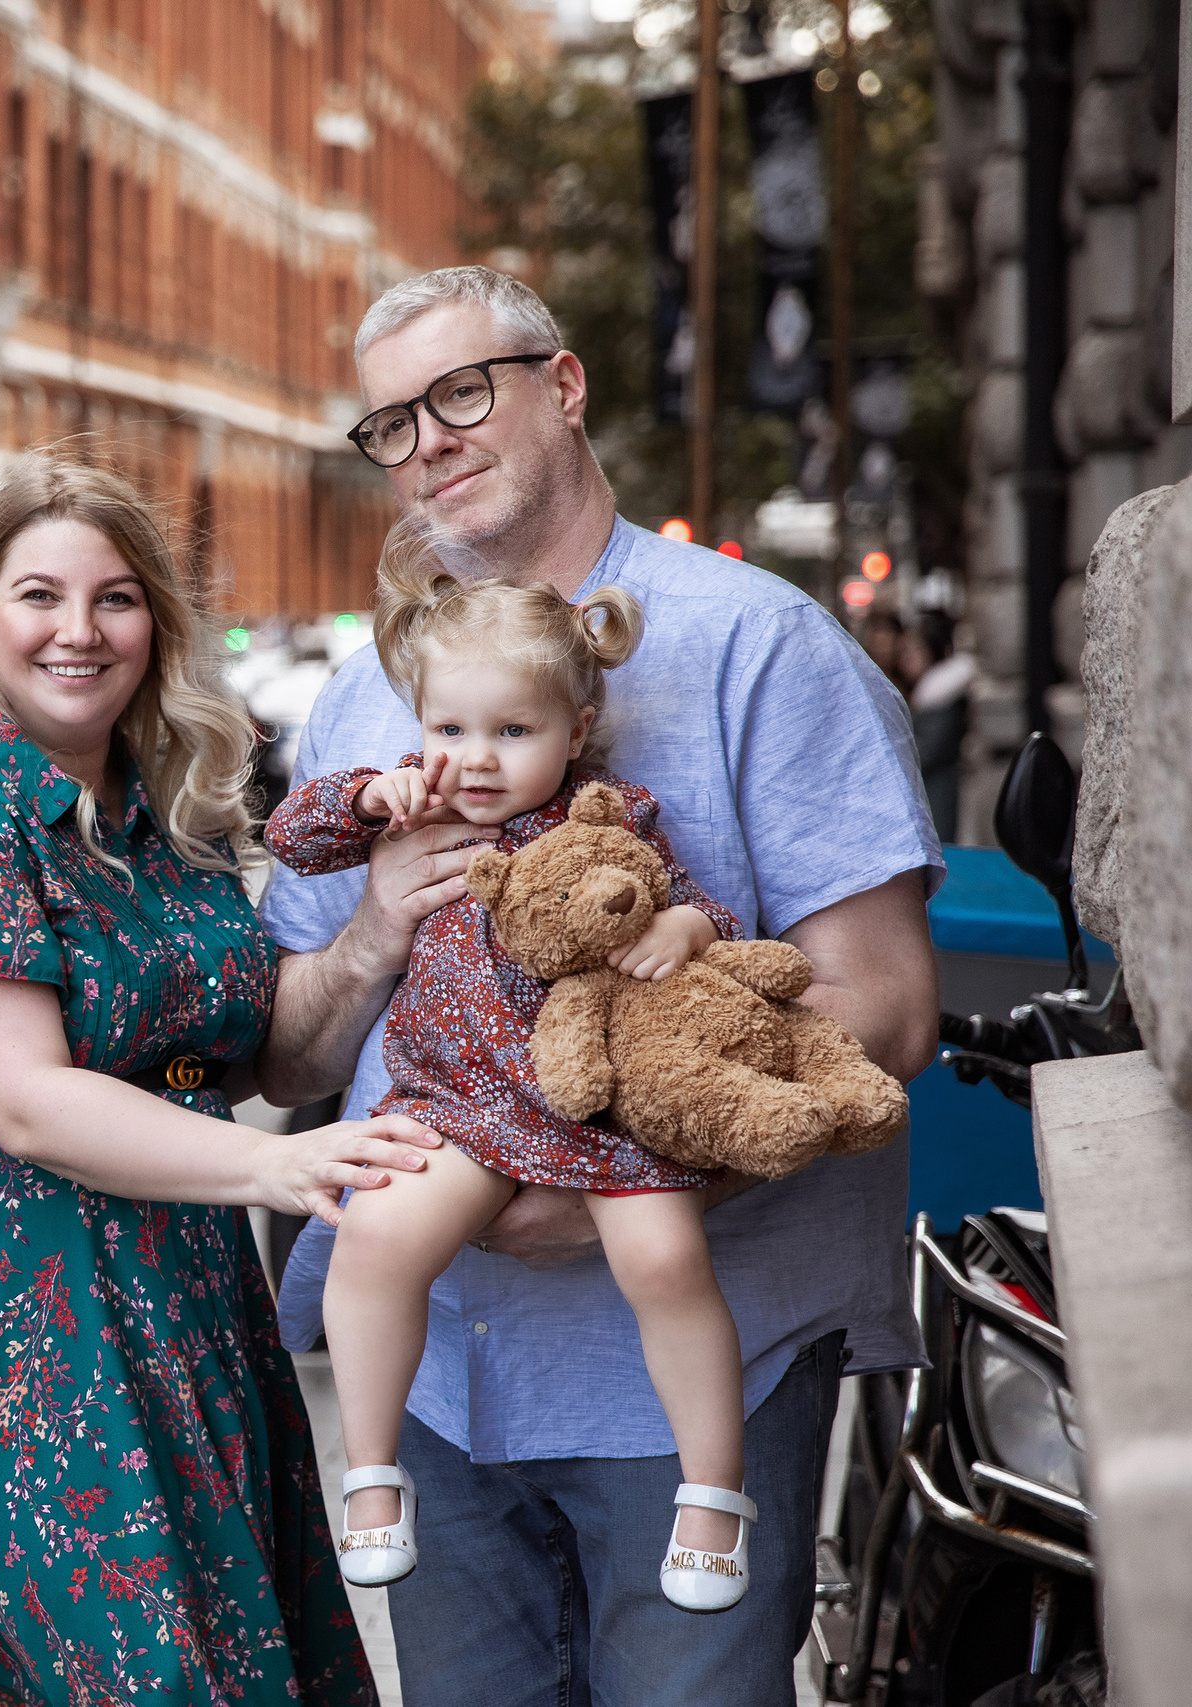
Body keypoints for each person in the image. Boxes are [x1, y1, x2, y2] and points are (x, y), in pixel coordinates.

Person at [259, 267, 940, 1705]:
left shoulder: (760, 642)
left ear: (561, 388)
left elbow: (885, 1004)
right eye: (389, 421)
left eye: (461, 392)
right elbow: (289, 1047)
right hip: (439, 1375)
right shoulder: (366, 696)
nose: (428, 439)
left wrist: (617, 1187)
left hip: (701, 1353)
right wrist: (375, 930)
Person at [0, 454, 437, 1707]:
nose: (79, 631)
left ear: (156, 627)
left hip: (179, 1295)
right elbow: (22, 1102)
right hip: (6, 1296)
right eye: (39, 596)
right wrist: (274, 1164)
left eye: (117, 599)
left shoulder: (165, 818)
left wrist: (375, 932)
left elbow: (267, 1057)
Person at [267, 528, 766, 1615]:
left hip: (594, 1106)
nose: (478, 756)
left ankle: (713, 1489)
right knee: (375, 1237)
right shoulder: (419, 811)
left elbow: (692, 904)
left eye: (513, 729)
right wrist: (367, 798)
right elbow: (290, 831)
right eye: (449, 727)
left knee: (667, 1258)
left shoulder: (604, 819)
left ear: (576, 730)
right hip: (458, 1103)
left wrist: (683, 925)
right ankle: (368, 1472)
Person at [898, 611, 973, 839]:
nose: (907, 658)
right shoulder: (927, 694)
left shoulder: (942, 694)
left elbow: (927, 751)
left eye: (916, 650)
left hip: (938, 794)